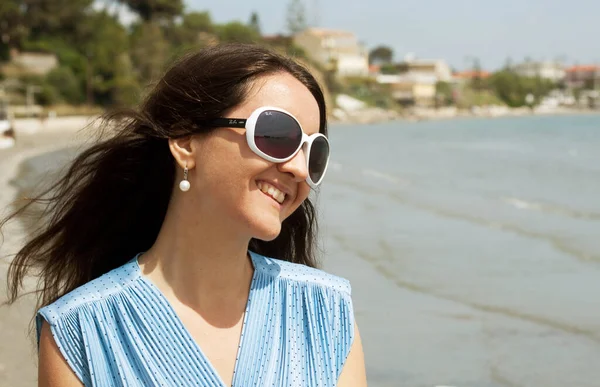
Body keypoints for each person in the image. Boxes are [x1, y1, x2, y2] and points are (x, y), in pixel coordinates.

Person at [2, 43, 367, 386]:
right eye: (276, 134)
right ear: (185, 141)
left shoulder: (326, 312)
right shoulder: (78, 331)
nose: (300, 169)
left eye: (313, 151)